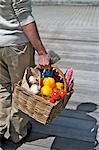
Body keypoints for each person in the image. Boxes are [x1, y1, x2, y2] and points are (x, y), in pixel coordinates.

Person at [0, 0, 50, 149]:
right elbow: (24, 16)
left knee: (2, 89)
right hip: (17, 45)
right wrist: (42, 52)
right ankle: (18, 133)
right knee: (23, 89)